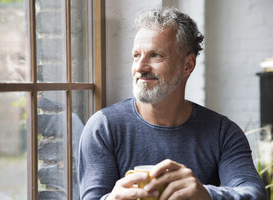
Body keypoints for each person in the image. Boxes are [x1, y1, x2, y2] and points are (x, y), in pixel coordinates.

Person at [78, 7, 267, 200]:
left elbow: (255, 194)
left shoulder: (222, 133)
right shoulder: (103, 127)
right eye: (136, 55)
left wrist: (205, 194)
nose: (140, 67)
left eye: (155, 55)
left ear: (188, 65)